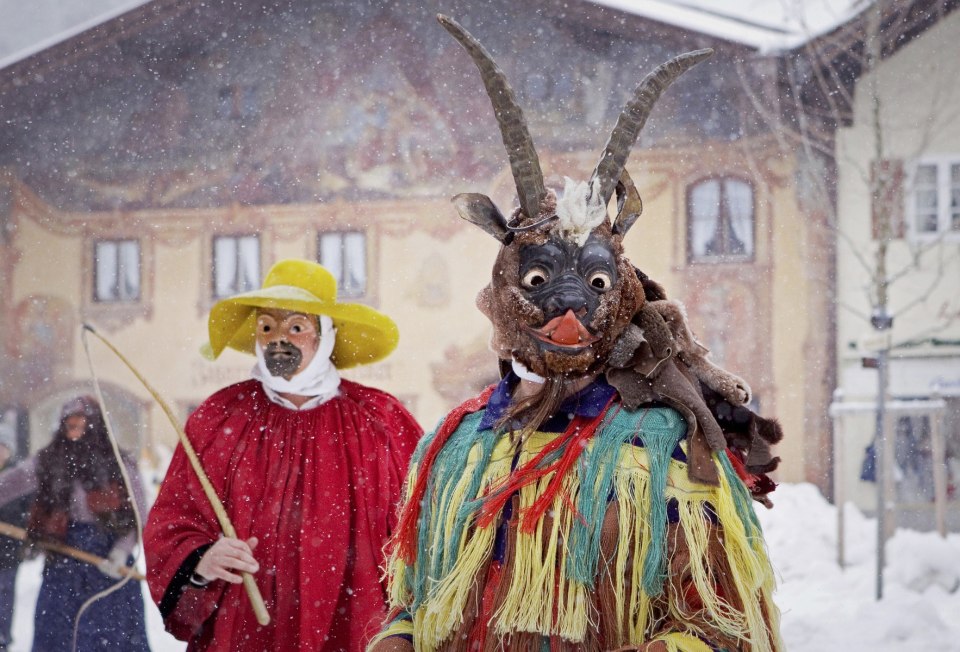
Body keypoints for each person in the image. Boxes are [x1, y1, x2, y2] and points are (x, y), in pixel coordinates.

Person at [368, 16, 783, 651]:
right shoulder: (453, 447)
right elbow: (414, 598)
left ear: (619, 296)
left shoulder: (668, 450)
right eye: (538, 279)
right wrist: (397, 639)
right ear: (506, 291)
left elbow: (723, 627)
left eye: (594, 286)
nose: (570, 309)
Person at [144, 259, 422, 651]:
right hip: (242, 631)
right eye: (267, 326)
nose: (279, 340)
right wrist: (200, 562)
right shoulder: (218, 419)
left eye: (296, 326)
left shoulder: (383, 422)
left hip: (357, 631)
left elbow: (425, 530)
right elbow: (174, 519)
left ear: (327, 333)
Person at [0, 396, 150, 651]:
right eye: (70, 426)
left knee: (110, 636)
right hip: (64, 561)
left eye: (82, 426)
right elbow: (11, 483)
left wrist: (121, 551)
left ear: (96, 427)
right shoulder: (50, 460)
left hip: (107, 562)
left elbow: (139, 515)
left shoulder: (118, 464)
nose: (74, 433)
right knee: (61, 635)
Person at [0, 421, 30, 652]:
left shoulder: (19, 478)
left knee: (4, 592)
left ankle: (3, 637)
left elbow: (30, 513)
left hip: (8, 549)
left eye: (3, 447)